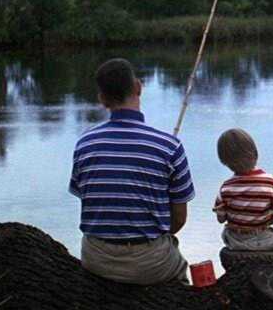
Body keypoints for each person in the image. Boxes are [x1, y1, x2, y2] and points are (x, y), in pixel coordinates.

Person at [69, 58, 195, 285]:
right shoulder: (169, 146)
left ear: (102, 99)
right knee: (180, 273)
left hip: (96, 259)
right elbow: (179, 219)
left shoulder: (84, 144)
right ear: (138, 87)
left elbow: (90, 202)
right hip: (150, 263)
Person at [213, 128, 273, 251]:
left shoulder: (225, 188)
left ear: (224, 161)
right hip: (264, 239)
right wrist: (261, 222)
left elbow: (220, 219)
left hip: (234, 241)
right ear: (255, 153)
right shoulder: (271, 182)